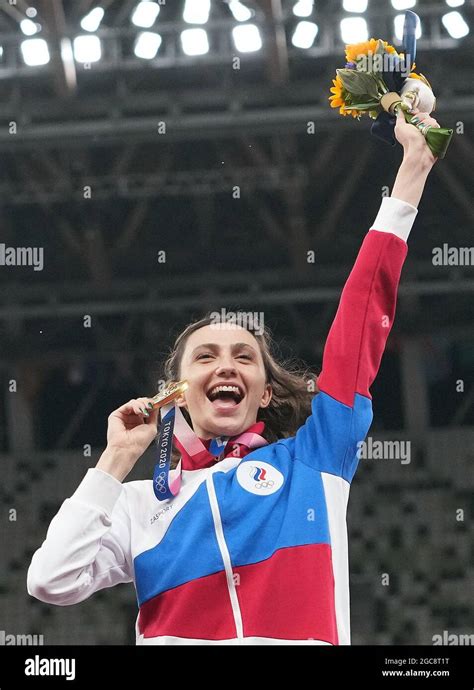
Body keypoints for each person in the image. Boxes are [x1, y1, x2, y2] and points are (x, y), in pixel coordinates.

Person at [27, 108, 440, 645]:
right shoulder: (138, 503)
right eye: (205, 358)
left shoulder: (314, 460)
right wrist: (115, 460)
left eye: (244, 357)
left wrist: (414, 169)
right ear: (175, 394)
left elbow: (359, 324)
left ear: (265, 392)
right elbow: (51, 580)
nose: (226, 364)